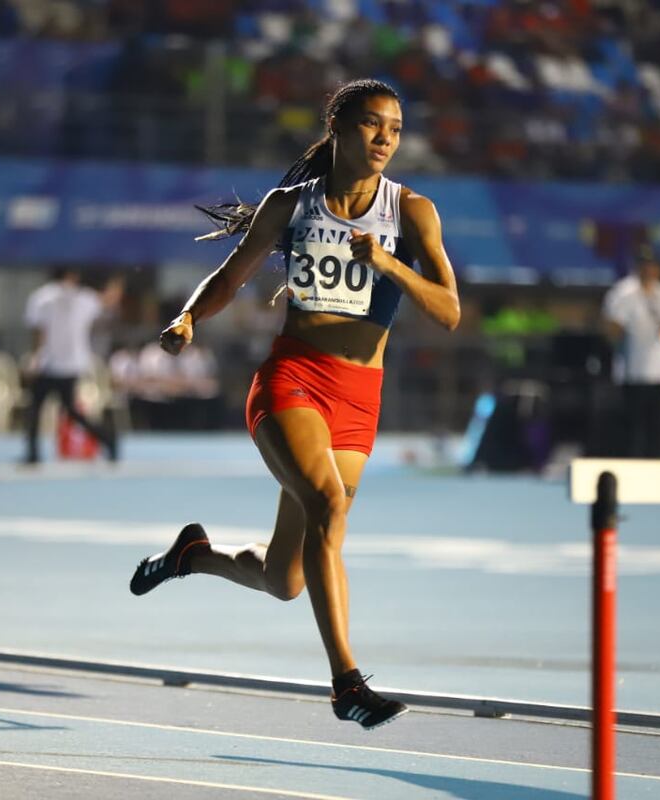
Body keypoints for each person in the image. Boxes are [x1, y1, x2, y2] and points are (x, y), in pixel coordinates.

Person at [128, 79, 460, 730]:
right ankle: (347, 684)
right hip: (293, 380)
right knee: (328, 504)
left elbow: (448, 311)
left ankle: (191, 555)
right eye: (371, 124)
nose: (385, 137)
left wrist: (390, 267)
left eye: (395, 127)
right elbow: (229, 277)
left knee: (285, 579)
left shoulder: (413, 212)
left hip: (360, 398)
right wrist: (189, 319)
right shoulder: (290, 206)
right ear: (336, 126)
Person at [21, 268, 122, 464]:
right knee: (71, 411)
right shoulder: (84, 298)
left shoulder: (42, 297)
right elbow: (106, 304)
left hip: (49, 363)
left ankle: (32, 453)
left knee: (35, 409)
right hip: (72, 364)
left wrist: (35, 358)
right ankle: (107, 439)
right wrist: (116, 288)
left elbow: (38, 331)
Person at [601, 244, 660, 458]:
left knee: (656, 426)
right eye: (645, 266)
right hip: (632, 372)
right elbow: (611, 328)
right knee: (631, 427)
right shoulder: (624, 293)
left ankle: (653, 469)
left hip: (658, 372)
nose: (650, 271)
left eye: (654, 266)